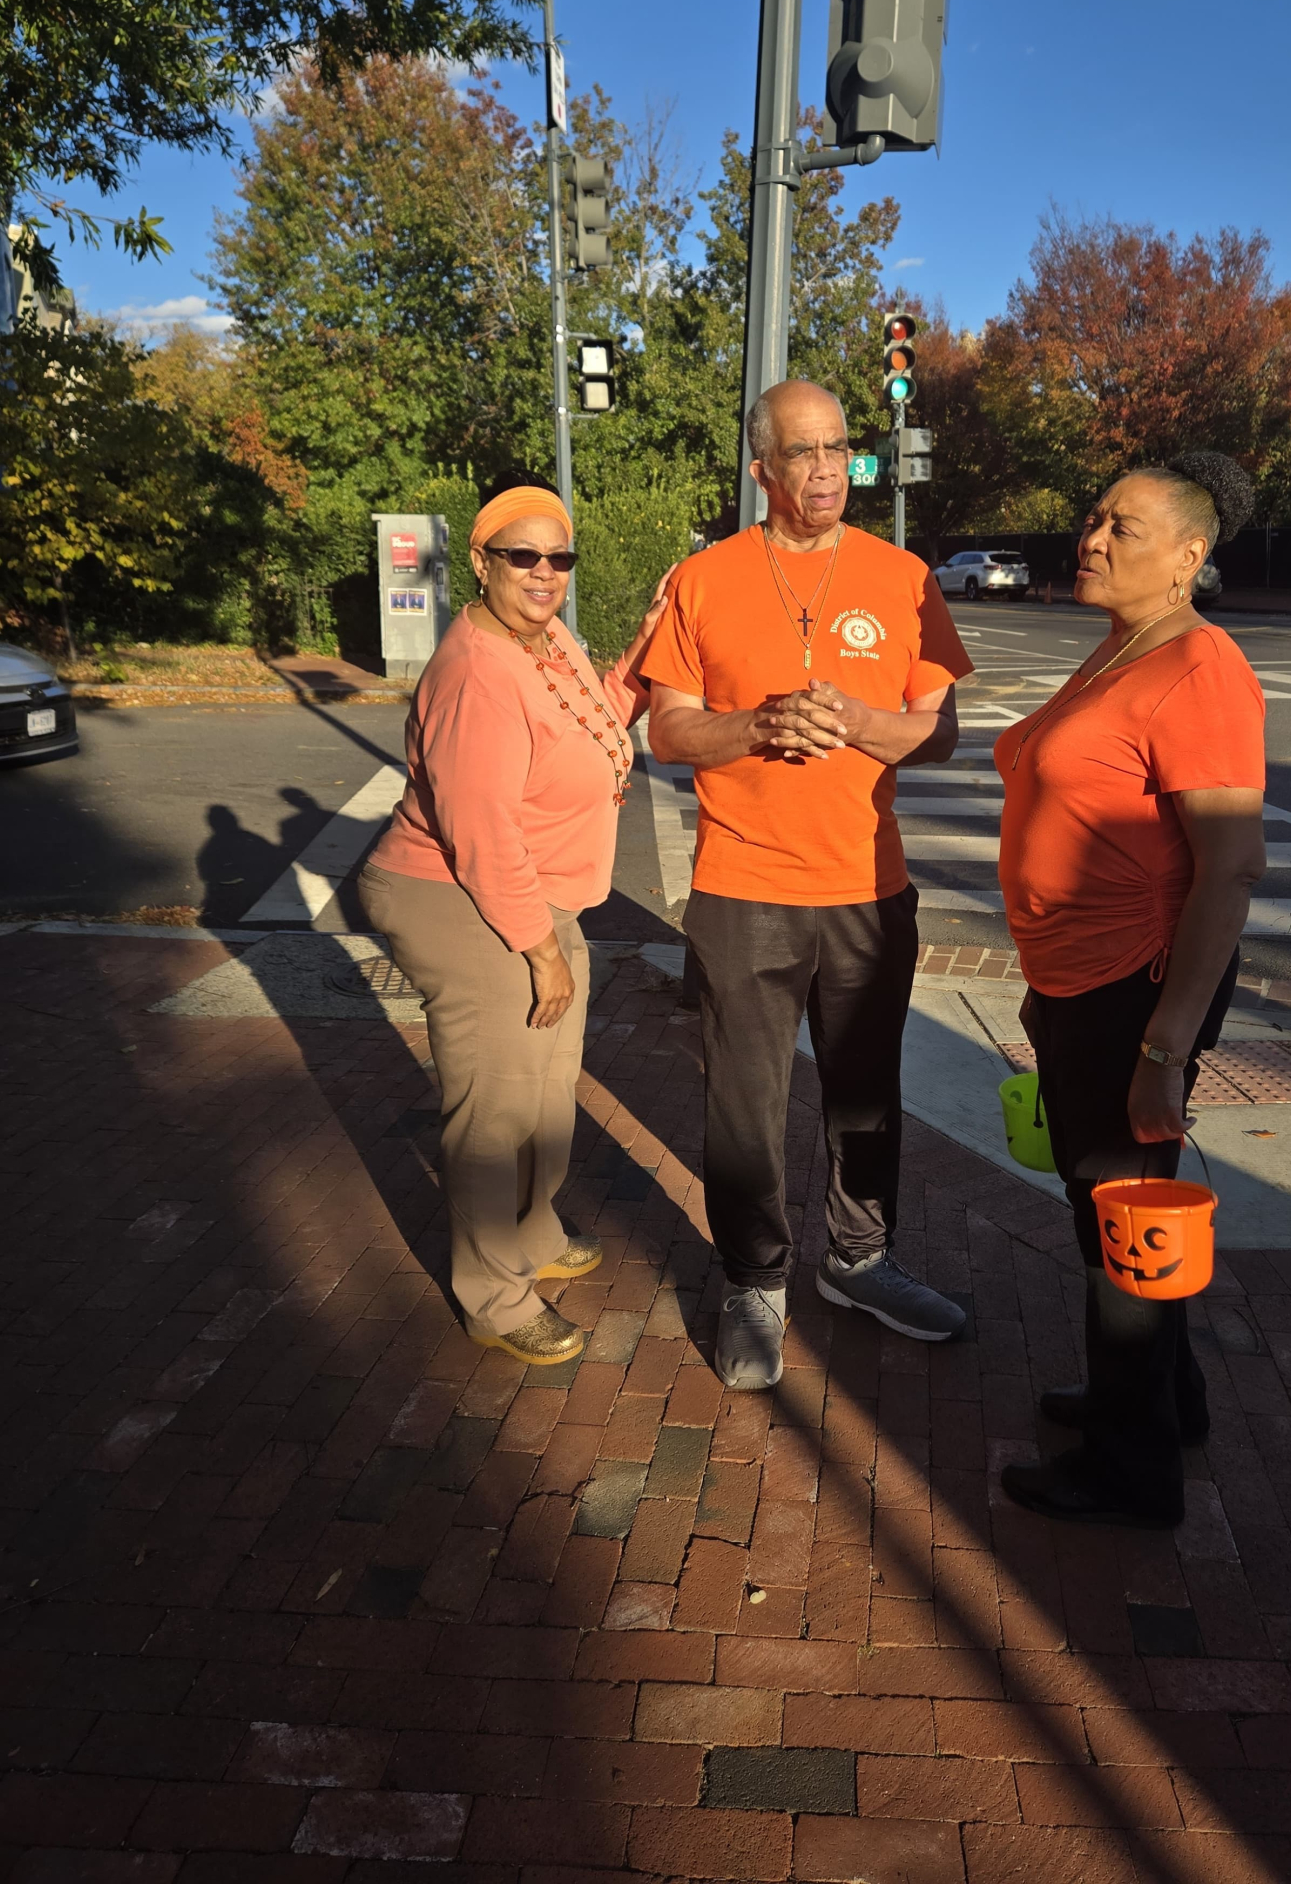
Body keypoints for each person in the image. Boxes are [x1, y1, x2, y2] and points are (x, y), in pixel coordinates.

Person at [642, 379, 976, 1390]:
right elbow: (667, 730)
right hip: (742, 886)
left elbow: (941, 733)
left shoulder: (903, 576)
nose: (828, 468)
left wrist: (858, 722)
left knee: (865, 1094)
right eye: (802, 452)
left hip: (868, 886)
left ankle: (860, 1261)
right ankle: (754, 1281)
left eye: (839, 448)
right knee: (744, 1104)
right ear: (763, 470)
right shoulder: (705, 579)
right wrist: (759, 724)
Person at [994, 452, 1267, 1529]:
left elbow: (1230, 867)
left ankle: (1131, 1473)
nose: (1092, 539)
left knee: (1122, 1225)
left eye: (1124, 528)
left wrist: (1163, 1050)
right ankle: (1162, 1402)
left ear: (1189, 556)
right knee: (1115, 1210)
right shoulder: (1123, 645)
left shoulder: (1199, 667)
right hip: (1081, 980)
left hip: (1136, 987)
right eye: (1096, 518)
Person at [361, 483, 668, 1366]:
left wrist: (650, 639)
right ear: (482, 562)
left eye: (558, 557)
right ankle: (493, 1297)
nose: (544, 572)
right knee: (495, 1108)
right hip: (460, 897)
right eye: (521, 555)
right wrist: (542, 953)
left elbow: (599, 714)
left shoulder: (546, 638)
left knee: (546, 1083)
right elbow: (481, 832)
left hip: (534, 894)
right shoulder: (476, 672)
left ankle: (532, 1233)